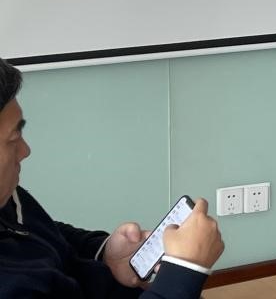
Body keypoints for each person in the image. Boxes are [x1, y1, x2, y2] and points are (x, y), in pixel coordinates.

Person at [0, 56, 224, 297]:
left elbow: (46, 235)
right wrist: (184, 270)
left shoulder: (8, 197)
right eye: (13, 139)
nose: (25, 151)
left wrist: (104, 253)